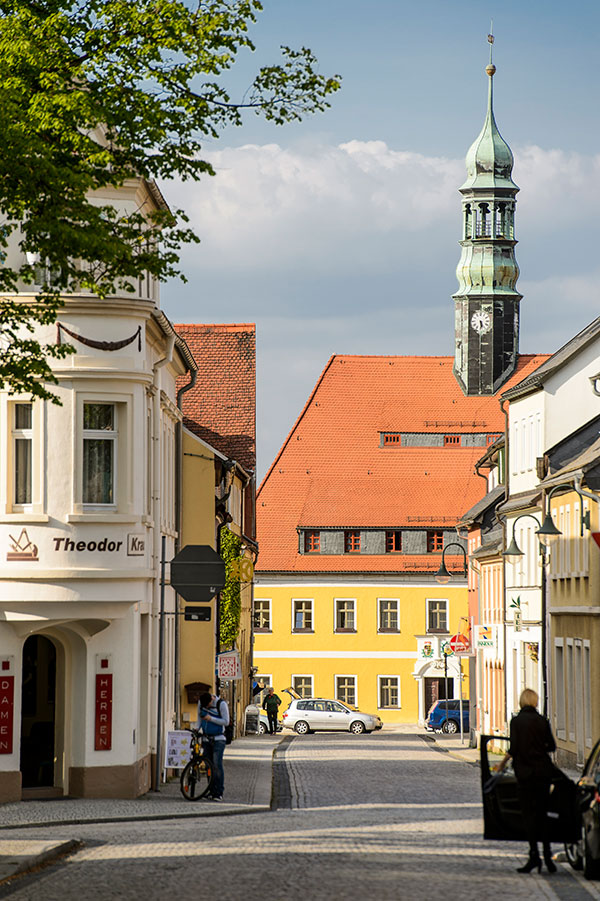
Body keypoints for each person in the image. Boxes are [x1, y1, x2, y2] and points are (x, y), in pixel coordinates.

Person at [499, 688, 557, 874]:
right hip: (543, 773)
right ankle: (548, 857)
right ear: (535, 701)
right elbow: (552, 746)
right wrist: (538, 748)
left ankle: (534, 857)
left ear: (522, 701)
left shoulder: (516, 722)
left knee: (529, 816)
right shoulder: (542, 721)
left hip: (525, 774)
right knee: (542, 814)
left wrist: (502, 763)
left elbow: (514, 747)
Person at [197, 690, 229, 801]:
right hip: (206, 739)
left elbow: (226, 721)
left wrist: (211, 719)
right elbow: (199, 718)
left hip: (218, 739)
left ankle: (218, 792)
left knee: (217, 765)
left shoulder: (221, 704)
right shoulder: (201, 703)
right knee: (208, 766)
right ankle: (211, 790)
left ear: (212, 699)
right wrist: (197, 729)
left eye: (209, 705)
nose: (208, 707)